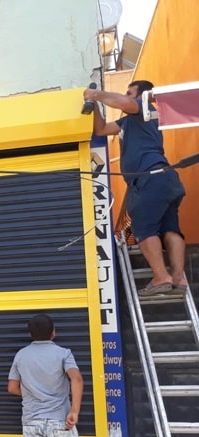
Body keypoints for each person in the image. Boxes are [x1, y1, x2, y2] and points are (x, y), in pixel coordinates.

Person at [84, 80, 188, 297]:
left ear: (143, 95)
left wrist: (95, 94)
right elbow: (101, 129)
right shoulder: (128, 122)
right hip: (165, 179)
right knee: (170, 230)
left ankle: (161, 277)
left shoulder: (144, 108)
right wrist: (95, 105)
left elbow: (124, 103)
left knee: (144, 229)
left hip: (149, 178)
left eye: (129, 93)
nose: (126, 96)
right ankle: (178, 278)